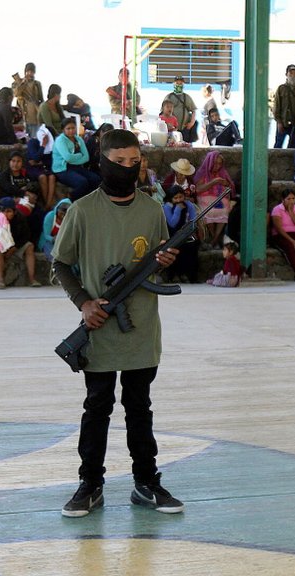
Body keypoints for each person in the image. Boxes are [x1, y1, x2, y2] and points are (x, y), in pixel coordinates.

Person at [50, 128, 183, 517]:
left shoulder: (152, 210)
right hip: (100, 328)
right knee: (98, 407)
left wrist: (166, 261)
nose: (127, 168)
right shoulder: (83, 210)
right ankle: (90, 483)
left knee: (139, 406)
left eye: (134, 161)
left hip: (142, 328)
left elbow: (157, 260)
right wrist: (84, 303)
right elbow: (60, 263)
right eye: (119, 162)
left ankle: (146, 481)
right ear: (102, 162)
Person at [0, 197, 39, 288]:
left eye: (8, 211)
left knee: (30, 246)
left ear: (14, 212)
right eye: (3, 211)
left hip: (15, 244)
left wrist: (14, 247)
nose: (5, 214)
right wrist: (5, 247)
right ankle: (1, 280)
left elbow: (26, 235)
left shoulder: (20, 218)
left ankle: (32, 279)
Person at [193, 151, 235, 249]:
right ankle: (213, 237)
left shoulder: (222, 172)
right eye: (215, 163)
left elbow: (229, 185)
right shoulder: (202, 172)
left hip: (219, 197)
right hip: (204, 197)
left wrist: (225, 185)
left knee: (225, 210)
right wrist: (214, 181)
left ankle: (215, 239)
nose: (217, 166)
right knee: (208, 210)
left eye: (220, 164)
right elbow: (198, 189)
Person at [53, 118, 100, 200]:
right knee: (82, 182)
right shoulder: (60, 140)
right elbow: (68, 158)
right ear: (63, 130)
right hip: (63, 169)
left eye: (73, 128)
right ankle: (71, 198)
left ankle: (87, 199)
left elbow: (86, 157)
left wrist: (73, 159)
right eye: (68, 128)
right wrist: (79, 155)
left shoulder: (78, 139)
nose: (71, 130)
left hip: (76, 167)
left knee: (95, 179)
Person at [161, 186, 199, 283]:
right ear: (171, 198)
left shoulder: (189, 205)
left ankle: (188, 275)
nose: (179, 200)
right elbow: (172, 223)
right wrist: (178, 209)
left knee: (192, 247)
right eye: (176, 198)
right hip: (172, 234)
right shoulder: (167, 206)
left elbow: (193, 220)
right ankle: (172, 275)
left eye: (180, 197)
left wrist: (190, 230)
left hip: (185, 233)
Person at [269, 188, 295, 281]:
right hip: (281, 235)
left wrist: (291, 212)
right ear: (283, 200)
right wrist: (290, 239)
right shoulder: (277, 209)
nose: (291, 201)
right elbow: (279, 228)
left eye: (293, 199)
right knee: (289, 246)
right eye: (288, 199)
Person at [13, 63, 44, 138]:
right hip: (22, 116)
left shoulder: (37, 84)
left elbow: (41, 98)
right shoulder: (17, 82)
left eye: (32, 71)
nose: (30, 73)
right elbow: (16, 94)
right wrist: (23, 83)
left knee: (35, 139)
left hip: (35, 117)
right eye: (28, 71)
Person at [163, 75, 198, 143]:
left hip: (184, 129)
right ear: (174, 84)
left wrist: (191, 123)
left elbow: (193, 110)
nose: (179, 85)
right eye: (177, 83)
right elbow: (162, 112)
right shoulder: (169, 97)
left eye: (180, 83)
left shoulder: (187, 97)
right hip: (171, 130)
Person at [26, 135, 56, 205]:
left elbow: (52, 160)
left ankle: (48, 204)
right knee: (42, 177)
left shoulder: (52, 144)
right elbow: (35, 158)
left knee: (52, 177)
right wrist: (43, 145)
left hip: (46, 167)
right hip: (34, 169)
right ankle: (46, 204)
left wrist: (41, 162)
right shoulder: (33, 142)